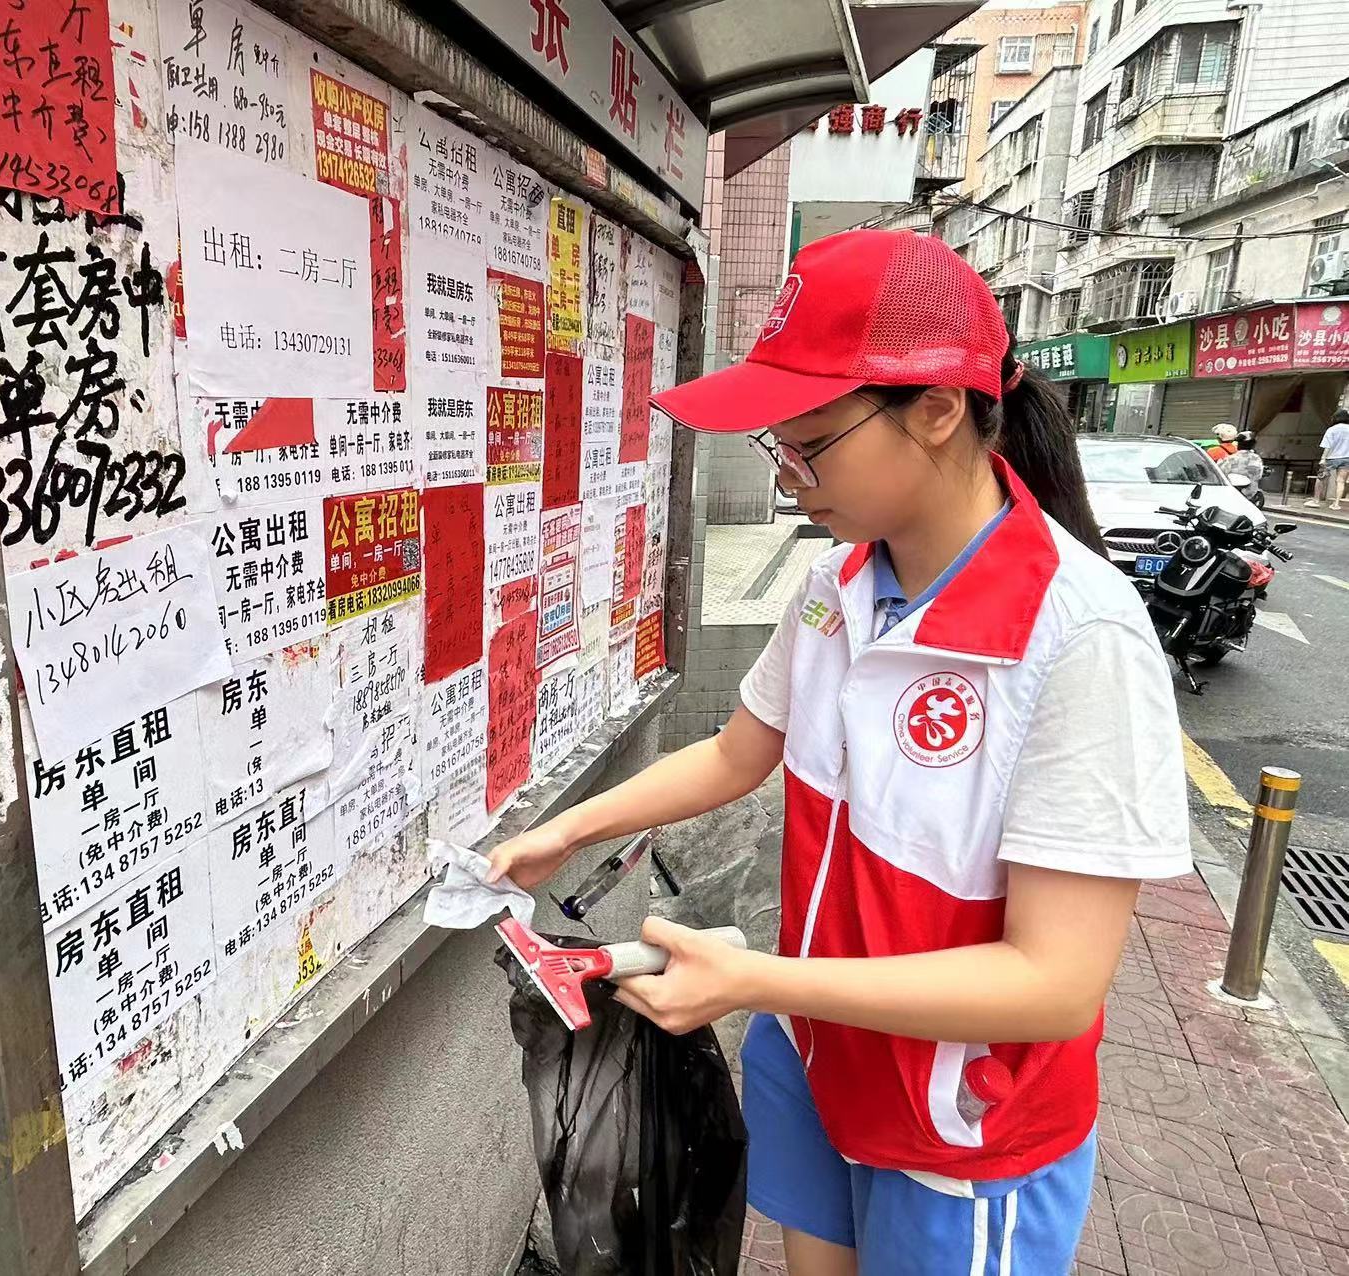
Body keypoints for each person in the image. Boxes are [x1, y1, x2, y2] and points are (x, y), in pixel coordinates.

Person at [488, 229, 1190, 1275]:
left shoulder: (1077, 635)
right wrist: (565, 830)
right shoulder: (838, 589)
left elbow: (1054, 982)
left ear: (937, 409)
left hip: (959, 1126)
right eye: (778, 447)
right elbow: (737, 753)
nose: (789, 480)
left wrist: (755, 979)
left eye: (810, 445)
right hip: (814, 1055)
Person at [1305, 408, 1349, 509]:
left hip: (1331, 458)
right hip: (1347, 458)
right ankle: (1336, 504)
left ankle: (1316, 501)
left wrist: (1323, 458)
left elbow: (1327, 446)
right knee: (1341, 481)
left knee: (1321, 478)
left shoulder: (1332, 430)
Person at [1220, 429, 1264, 500]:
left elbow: (1221, 472)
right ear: (1253, 445)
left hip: (1230, 493)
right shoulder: (1256, 459)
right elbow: (1258, 475)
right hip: (1249, 494)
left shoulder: (1229, 458)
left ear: (1238, 444)